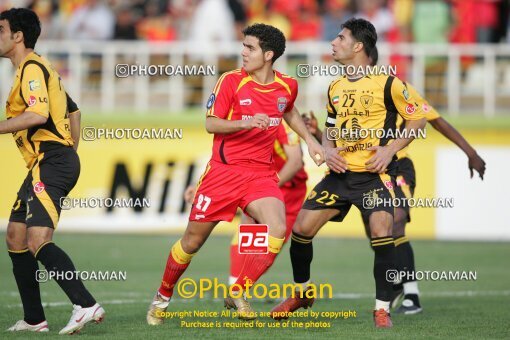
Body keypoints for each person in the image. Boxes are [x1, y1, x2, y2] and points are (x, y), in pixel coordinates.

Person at [146, 23, 324, 325]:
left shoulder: (287, 85)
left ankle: (238, 291)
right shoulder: (230, 81)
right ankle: (161, 300)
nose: (242, 52)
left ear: (268, 55)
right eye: (243, 45)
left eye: (250, 47)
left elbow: (290, 110)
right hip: (223, 174)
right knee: (191, 242)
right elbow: (211, 124)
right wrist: (246, 123)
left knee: (277, 229)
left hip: (261, 175)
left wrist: (312, 141)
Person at [304, 46, 487, 315]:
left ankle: (411, 293)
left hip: (396, 166)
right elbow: (343, 138)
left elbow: (434, 120)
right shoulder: (343, 89)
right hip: (359, 171)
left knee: (397, 220)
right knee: (377, 232)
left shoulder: (396, 88)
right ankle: (395, 284)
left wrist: (470, 153)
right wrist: (319, 133)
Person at [270, 18, 426, 328]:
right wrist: (327, 151)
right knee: (301, 231)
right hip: (340, 176)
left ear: (357, 46)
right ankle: (302, 293)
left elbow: (418, 120)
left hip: (373, 176)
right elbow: (330, 129)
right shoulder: (336, 87)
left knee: (383, 232)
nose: (333, 42)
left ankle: (382, 308)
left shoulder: (389, 83)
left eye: (340, 38)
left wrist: (389, 149)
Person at [0, 8, 104, 334]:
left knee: (37, 237)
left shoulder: (31, 67)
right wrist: (70, 148)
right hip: (47, 162)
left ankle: (85, 304)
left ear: (18, 35)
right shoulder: (37, 68)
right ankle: (35, 319)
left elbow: (36, 114)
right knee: (16, 235)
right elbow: (73, 109)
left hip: (51, 161)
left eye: (1, 29)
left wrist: (62, 153)